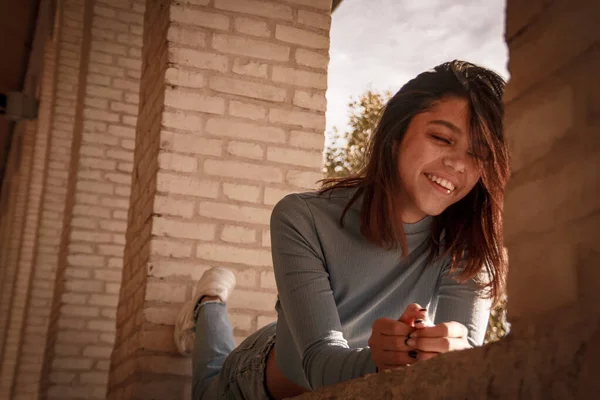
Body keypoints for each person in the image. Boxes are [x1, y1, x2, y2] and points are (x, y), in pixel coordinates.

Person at [173, 60, 509, 400]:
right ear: (396, 136)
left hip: (302, 334)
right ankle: (209, 303)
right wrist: (380, 363)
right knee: (205, 386)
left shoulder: (471, 247)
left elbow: (458, 365)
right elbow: (319, 362)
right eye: (441, 138)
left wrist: (453, 353)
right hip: (258, 381)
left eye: (478, 155)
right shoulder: (303, 217)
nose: (458, 164)